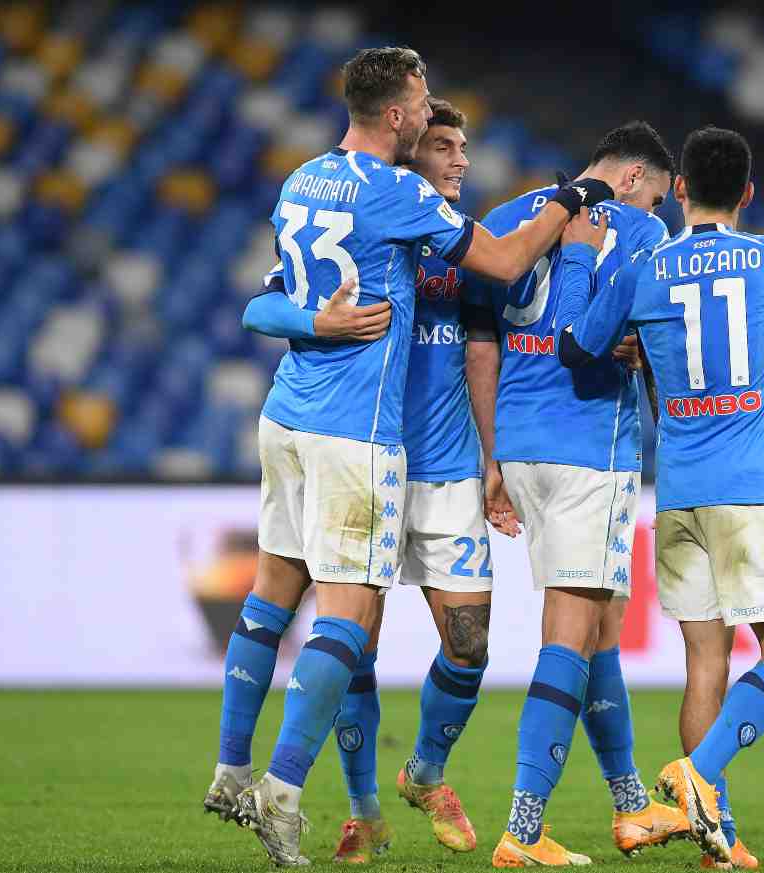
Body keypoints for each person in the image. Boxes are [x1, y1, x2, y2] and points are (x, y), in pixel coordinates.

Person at [203, 45, 613, 867]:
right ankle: (311, 796)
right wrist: (575, 195)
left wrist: (497, 460)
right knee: (349, 623)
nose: (441, 129)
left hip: (319, 427)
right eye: (429, 117)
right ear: (399, 122)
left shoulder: (310, 182)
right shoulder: (398, 200)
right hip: (361, 436)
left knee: (322, 605)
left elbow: (272, 300)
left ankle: (240, 770)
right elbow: (263, 301)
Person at [239, 97, 515, 862]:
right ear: (409, 154)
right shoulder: (373, 227)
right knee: (354, 643)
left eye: (464, 144)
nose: (460, 159)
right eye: (444, 145)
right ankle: (362, 808)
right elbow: (267, 301)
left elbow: (483, 356)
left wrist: (495, 462)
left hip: (449, 469)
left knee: (469, 644)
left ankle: (424, 772)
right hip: (365, 456)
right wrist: (316, 323)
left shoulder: (465, 247)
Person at [557, 126, 764, 866]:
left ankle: (718, 838)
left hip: (677, 493)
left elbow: (579, 348)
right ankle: (699, 773)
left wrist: (630, 340)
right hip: (751, 490)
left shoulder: (648, 263)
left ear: (679, 191)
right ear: (747, 192)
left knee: (705, 662)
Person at [464, 122, 691, 867]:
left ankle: (630, 803)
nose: (656, 206)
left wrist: (492, 452)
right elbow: (596, 332)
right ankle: (523, 830)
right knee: (571, 630)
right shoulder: (642, 231)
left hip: (523, 446)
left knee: (599, 626)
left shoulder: (508, 218)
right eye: (654, 192)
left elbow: (482, 343)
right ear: (630, 179)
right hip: (592, 445)